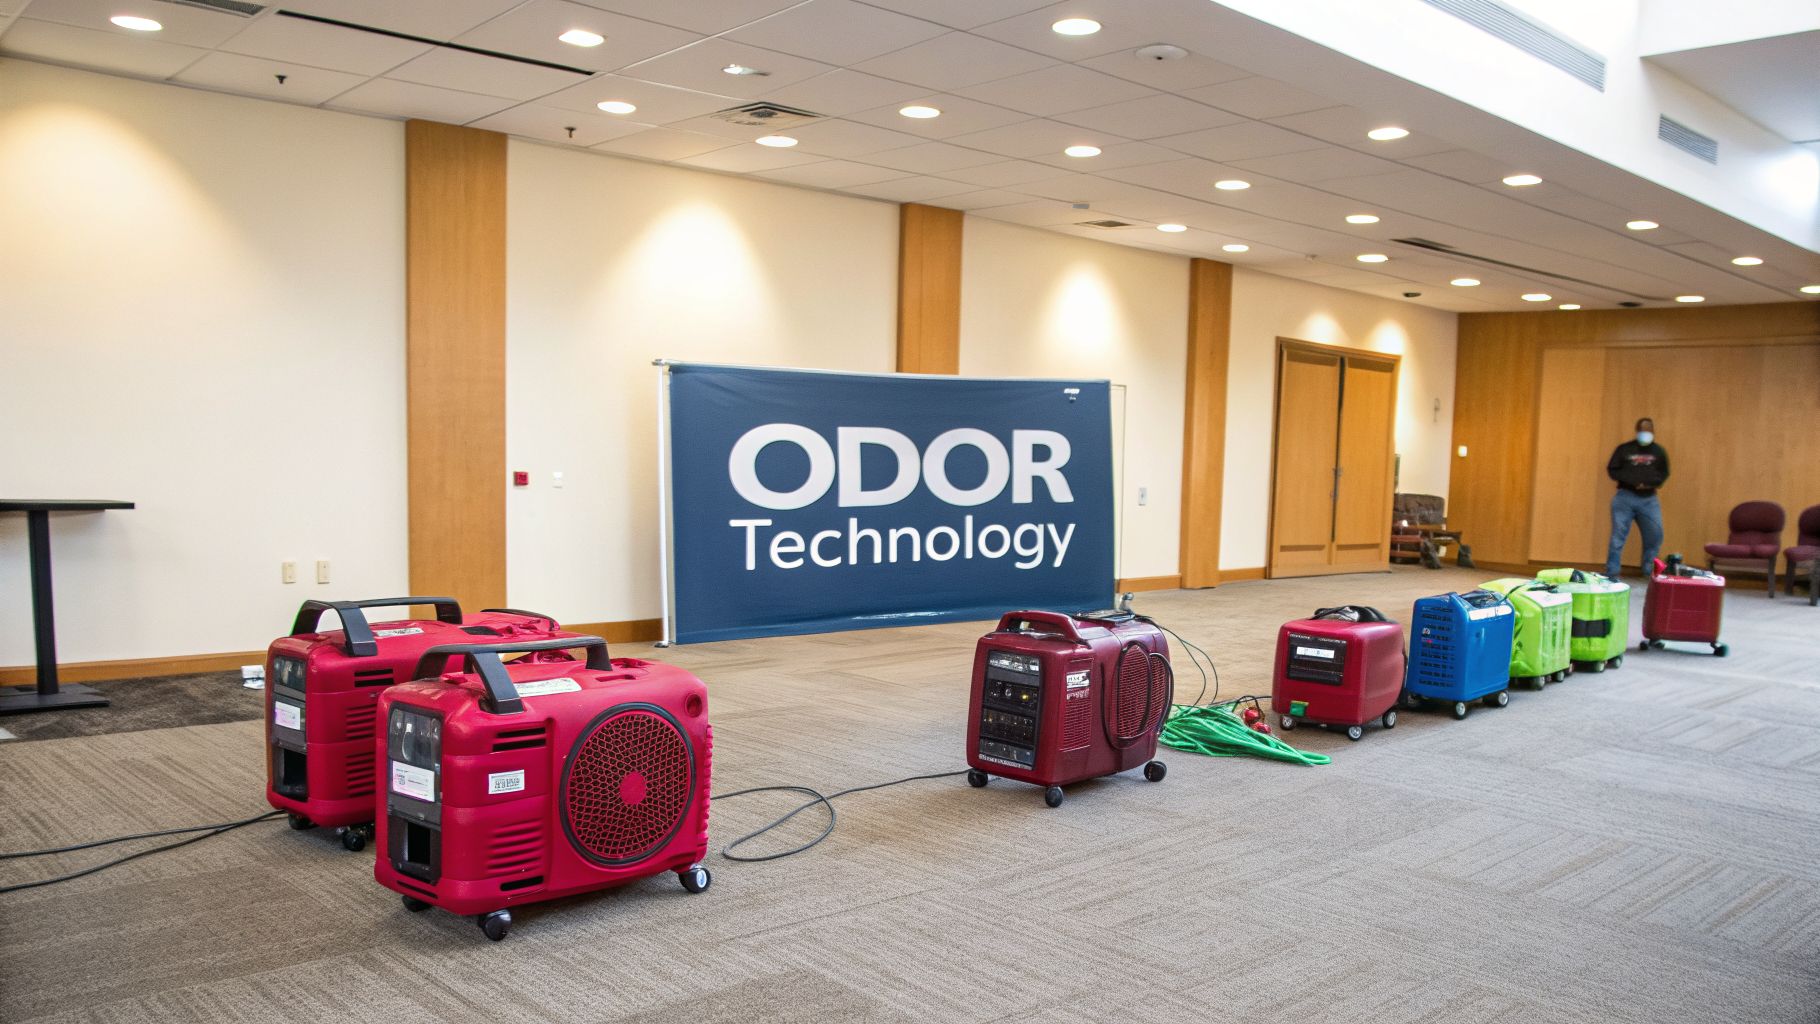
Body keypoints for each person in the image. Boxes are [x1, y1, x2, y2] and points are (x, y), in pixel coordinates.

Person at [1605, 417, 1669, 578]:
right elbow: (1613, 469)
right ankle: (1612, 572)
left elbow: (1664, 473)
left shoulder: (1659, 452)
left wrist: (1649, 483)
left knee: (1655, 535)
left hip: (1649, 499)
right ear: (1637, 430)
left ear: (1653, 431)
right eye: (1642, 430)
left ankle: (1648, 571)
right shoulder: (1624, 449)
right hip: (1625, 497)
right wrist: (1631, 480)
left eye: (1648, 430)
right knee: (1618, 536)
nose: (1645, 433)